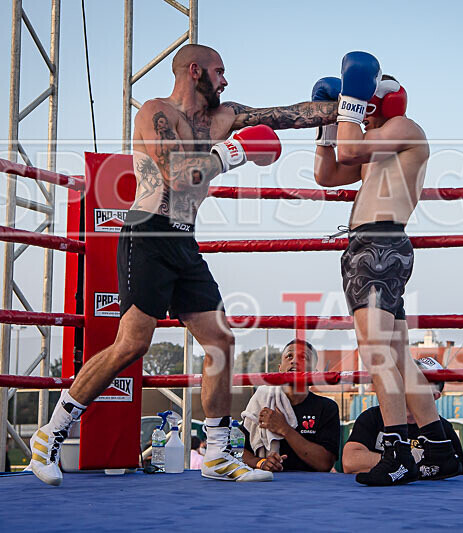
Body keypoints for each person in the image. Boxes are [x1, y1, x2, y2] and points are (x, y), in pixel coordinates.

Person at [28, 44, 339, 486]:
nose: (225, 80)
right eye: (219, 71)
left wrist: (345, 110)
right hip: (148, 232)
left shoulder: (224, 116)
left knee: (220, 340)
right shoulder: (155, 112)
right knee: (131, 344)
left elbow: (283, 115)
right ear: (195, 72)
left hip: (183, 240)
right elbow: (174, 172)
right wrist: (231, 154)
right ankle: (49, 435)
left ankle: (216, 455)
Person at [313, 51, 458, 486]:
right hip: (375, 248)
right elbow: (326, 173)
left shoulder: (403, 129)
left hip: (377, 247)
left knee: (377, 353)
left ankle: (396, 452)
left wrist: (350, 105)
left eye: (362, 101)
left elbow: (350, 146)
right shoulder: (379, 146)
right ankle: (437, 448)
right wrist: (326, 122)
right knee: (395, 355)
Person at [342, 357, 463, 477]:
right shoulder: (373, 417)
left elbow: (455, 473)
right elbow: (349, 462)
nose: (408, 387)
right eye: (406, 380)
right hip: (380, 495)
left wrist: (398, 463)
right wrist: (402, 463)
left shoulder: (443, 428)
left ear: (434, 396)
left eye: (418, 383)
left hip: (424, 496)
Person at [240, 340, 340, 473]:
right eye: (289, 356)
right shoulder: (261, 399)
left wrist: (284, 429)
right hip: (268, 484)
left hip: (313, 487)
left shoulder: (327, 407)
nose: (294, 361)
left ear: (314, 372)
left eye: (303, 357)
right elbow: (239, 449)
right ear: (280, 368)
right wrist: (261, 462)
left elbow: (324, 463)